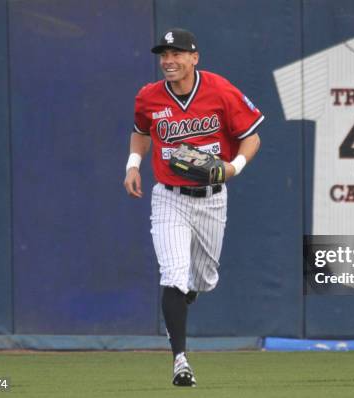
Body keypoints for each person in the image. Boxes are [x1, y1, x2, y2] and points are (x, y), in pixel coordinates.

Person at [123, 28, 263, 387]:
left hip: (212, 198)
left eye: (177, 54)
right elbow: (141, 129)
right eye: (164, 55)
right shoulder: (149, 97)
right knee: (173, 274)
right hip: (168, 196)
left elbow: (252, 136)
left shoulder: (219, 89)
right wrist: (133, 165)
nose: (168, 61)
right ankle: (180, 361)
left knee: (200, 280)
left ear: (194, 58)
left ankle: (189, 290)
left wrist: (234, 167)